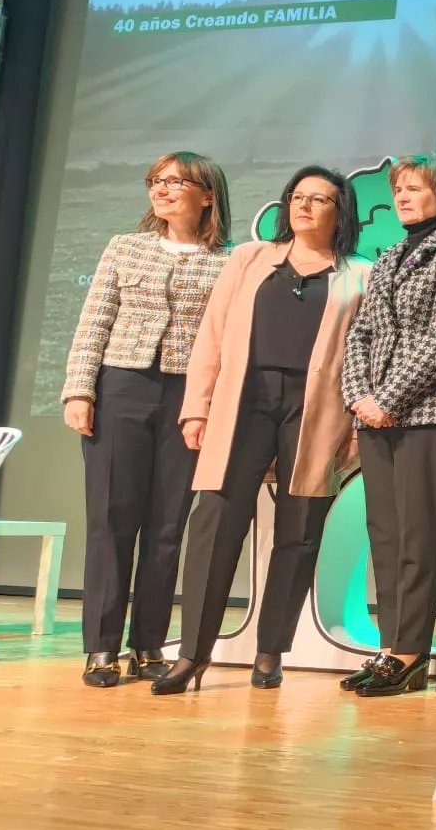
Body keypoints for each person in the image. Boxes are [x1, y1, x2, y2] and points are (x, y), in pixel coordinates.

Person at [157, 168, 370, 695]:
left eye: (319, 199)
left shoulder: (360, 274)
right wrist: (196, 409)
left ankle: (271, 652)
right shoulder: (249, 259)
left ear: (339, 212)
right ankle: (192, 656)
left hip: (316, 408)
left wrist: (356, 425)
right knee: (215, 523)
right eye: (298, 197)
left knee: (298, 532)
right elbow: (211, 336)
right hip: (242, 402)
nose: (304, 207)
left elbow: (365, 352)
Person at [62, 152, 232, 688]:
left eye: (176, 181)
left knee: (166, 527)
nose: (162, 190)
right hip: (122, 386)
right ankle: (101, 648)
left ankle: (150, 644)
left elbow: (228, 338)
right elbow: (94, 321)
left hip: (189, 395)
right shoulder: (124, 246)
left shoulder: (229, 260)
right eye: (156, 181)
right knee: (112, 521)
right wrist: (79, 390)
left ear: (207, 195)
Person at [338, 154, 436, 697]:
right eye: (398, 188)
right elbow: (361, 335)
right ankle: (388, 647)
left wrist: (390, 399)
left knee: (418, 536)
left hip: (429, 415)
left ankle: (410, 652)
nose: (401, 196)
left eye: (414, 188)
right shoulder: (388, 255)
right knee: (385, 533)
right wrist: (359, 397)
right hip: (374, 414)